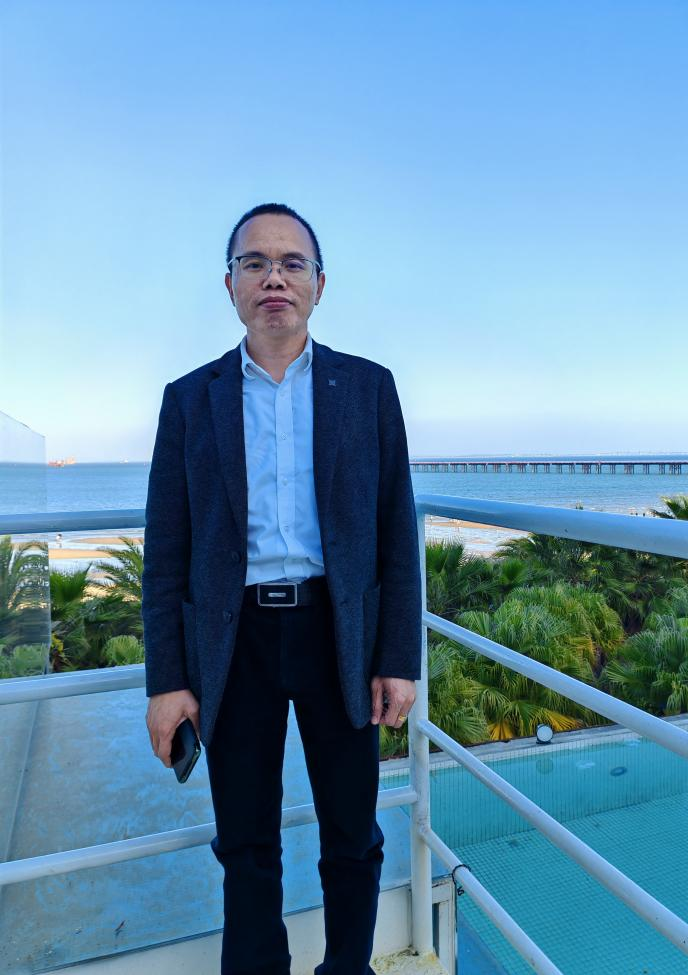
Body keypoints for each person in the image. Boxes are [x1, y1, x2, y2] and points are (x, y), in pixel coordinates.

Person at [141, 202, 422, 975]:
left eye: (292, 263)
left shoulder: (367, 388)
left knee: (353, 835)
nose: (274, 277)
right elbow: (166, 553)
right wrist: (167, 680)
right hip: (233, 642)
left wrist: (397, 658)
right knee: (245, 842)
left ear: (318, 284)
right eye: (255, 262)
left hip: (338, 633)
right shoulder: (188, 399)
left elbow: (396, 533)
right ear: (229, 283)